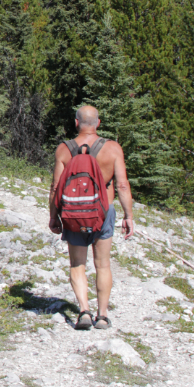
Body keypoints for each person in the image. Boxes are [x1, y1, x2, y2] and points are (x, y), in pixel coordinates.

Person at [48, 105, 135, 330]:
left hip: (73, 213)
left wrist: (53, 217)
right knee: (103, 265)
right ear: (98, 123)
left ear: (76, 123)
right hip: (103, 212)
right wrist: (128, 216)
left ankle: (84, 312)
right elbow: (123, 185)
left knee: (77, 264)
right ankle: (103, 315)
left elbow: (56, 187)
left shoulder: (64, 150)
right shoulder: (113, 149)